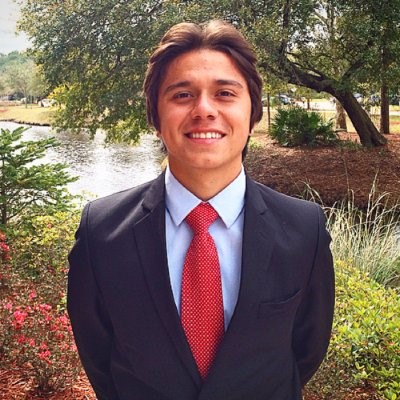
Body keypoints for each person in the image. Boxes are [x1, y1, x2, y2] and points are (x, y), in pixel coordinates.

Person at [67, 20, 335, 400]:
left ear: (253, 113)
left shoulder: (304, 229)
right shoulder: (102, 232)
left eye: (225, 93)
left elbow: (306, 350)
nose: (204, 110)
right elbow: (98, 355)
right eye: (182, 95)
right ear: (155, 117)